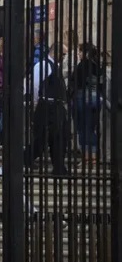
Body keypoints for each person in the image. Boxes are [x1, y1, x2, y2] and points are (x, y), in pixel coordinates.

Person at [24, 44, 69, 175]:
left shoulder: (56, 66)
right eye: (64, 54)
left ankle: (59, 167)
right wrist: (37, 102)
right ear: (56, 52)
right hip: (46, 105)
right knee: (42, 137)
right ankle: (26, 157)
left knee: (60, 137)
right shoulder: (43, 65)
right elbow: (35, 85)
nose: (65, 57)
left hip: (58, 106)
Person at [68, 43, 103, 165]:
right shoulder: (98, 66)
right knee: (91, 128)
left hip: (82, 99)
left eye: (80, 51)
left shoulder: (82, 66)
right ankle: (93, 156)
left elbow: (75, 83)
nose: (79, 54)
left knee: (82, 129)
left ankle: (87, 157)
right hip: (96, 100)